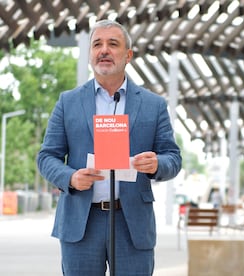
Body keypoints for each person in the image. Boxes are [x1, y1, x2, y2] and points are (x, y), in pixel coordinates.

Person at [37, 20, 182, 276]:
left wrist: (158, 164)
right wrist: (70, 177)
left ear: (128, 55)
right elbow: (47, 157)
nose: (104, 50)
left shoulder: (153, 105)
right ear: (91, 54)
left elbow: (173, 157)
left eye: (112, 44)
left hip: (132, 223)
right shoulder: (68, 102)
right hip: (82, 222)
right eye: (97, 44)